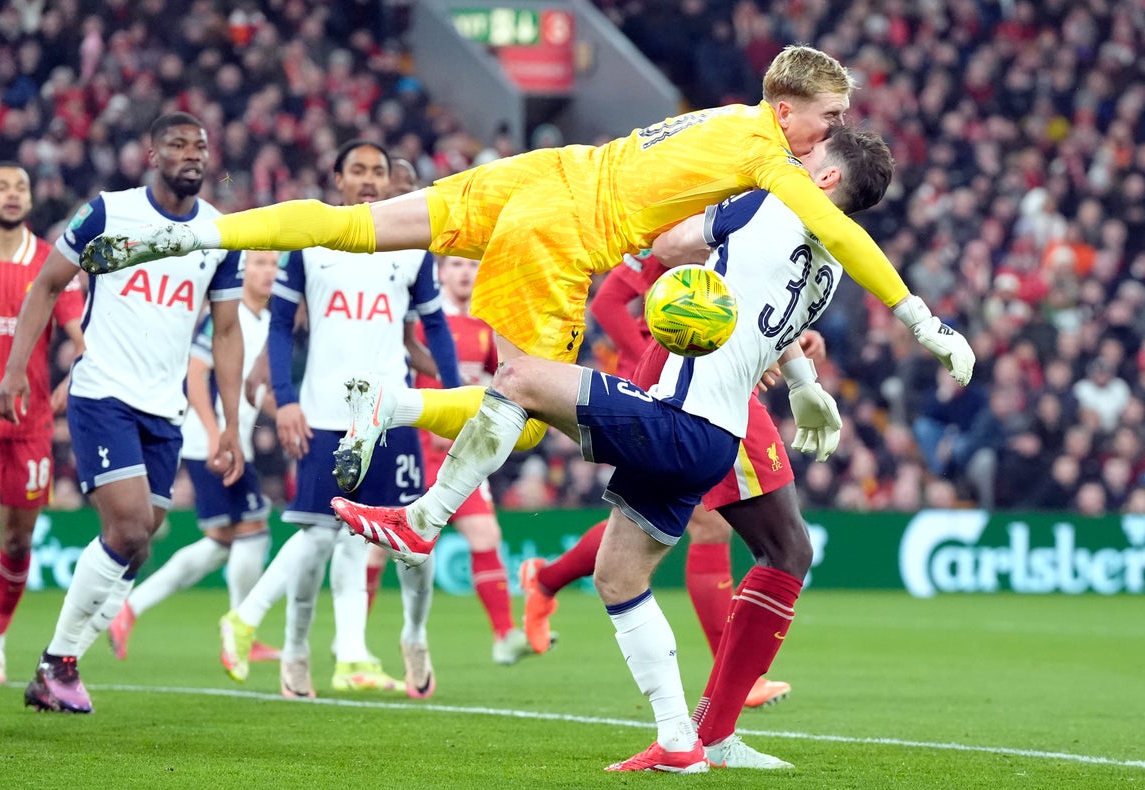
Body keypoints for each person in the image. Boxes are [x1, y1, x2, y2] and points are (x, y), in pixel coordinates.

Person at [80, 46, 974, 473]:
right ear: (790, 108)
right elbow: (848, 235)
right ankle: (401, 439)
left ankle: (194, 233)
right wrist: (922, 321)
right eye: (828, 117)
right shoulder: (765, 151)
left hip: (539, 174)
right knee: (531, 397)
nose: (830, 133)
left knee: (352, 225)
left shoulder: (719, 117)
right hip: (566, 227)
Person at [338, 126, 896, 772]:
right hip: (710, 435)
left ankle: (422, 519)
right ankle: (680, 743)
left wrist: (694, 231)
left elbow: (671, 242)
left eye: (810, 158)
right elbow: (760, 331)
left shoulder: (768, 202)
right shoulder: (827, 269)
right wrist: (802, 383)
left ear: (824, 180)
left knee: (518, 378)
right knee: (618, 575)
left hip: (678, 419)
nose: (792, 159)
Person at [0, 112, 246, 714]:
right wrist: (14, 369)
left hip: (166, 408)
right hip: (103, 392)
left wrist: (232, 421)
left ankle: (51, 674)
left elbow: (228, 329)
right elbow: (47, 285)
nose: (192, 154)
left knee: (139, 541)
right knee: (130, 528)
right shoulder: (109, 212)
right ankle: (59, 663)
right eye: (178, 145)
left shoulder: (219, 232)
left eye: (201, 146)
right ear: (151, 155)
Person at [215, 140, 460, 699]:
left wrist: (451, 396)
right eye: (359, 170)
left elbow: (436, 328)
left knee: (412, 541)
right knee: (319, 538)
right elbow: (280, 326)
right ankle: (296, 653)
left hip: (393, 414)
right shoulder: (312, 241)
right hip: (326, 413)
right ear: (338, 179)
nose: (370, 179)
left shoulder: (411, 249)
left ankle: (414, 635)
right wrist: (287, 398)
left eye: (378, 170)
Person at [519, 249, 808, 713]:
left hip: (717, 374)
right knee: (712, 527)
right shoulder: (696, 216)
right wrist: (673, 356)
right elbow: (609, 301)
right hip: (683, 378)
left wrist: (789, 348)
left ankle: (547, 579)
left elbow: (746, 303)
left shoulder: (752, 218)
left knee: (667, 524)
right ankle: (731, 684)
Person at [0, 161, 85, 685]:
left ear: (29, 199)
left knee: (19, 541)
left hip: (33, 418)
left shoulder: (52, 263)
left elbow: (77, 334)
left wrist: (81, 368)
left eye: (20, 186)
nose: (11, 194)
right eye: (0, 186)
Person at [105, 250, 281, 664]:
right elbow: (195, 372)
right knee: (254, 529)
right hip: (214, 442)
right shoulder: (228, 315)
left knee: (221, 541)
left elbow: (253, 391)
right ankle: (240, 630)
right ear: (243, 271)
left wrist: (290, 417)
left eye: (274, 264)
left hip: (233, 442)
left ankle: (130, 608)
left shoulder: (268, 322)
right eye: (259, 263)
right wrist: (214, 431)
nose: (268, 271)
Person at [410, 254, 532, 664]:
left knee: (486, 537)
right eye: (457, 265)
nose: (465, 272)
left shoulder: (486, 327)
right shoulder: (421, 323)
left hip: (461, 452)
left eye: (471, 266)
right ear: (441, 273)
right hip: (414, 450)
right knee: (380, 551)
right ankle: (351, 647)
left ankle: (505, 635)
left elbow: (501, 383)